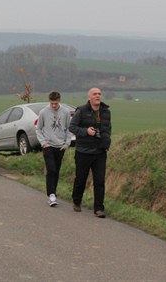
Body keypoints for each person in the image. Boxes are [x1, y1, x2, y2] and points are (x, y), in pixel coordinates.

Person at [69, 88, 112, 218]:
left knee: (99, 181)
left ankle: (99, 208)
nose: (98, 96)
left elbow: (108, 129)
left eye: (99, 94)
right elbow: (72, 127)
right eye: (95, 94)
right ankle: (77, 201)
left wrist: (107, 142)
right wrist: (86, 131)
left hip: (100, 152)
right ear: (89, 98)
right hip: (83, 151)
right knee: (81, 179)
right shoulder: (81, 111)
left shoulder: (106, 112)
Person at [35, 91, 73, 207]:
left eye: (55, 103)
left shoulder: (66, 112)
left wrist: (67, 143)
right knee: (51, 169)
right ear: (49, 101)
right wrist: (43, 142)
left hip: (60, 146)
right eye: (52, 103)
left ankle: (53, 193)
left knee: (56, 170)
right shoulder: (43, 112)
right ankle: (51, 195)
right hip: (48, 145)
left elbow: (68, 129)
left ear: (59, 101)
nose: (54, 106)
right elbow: (38, 129)